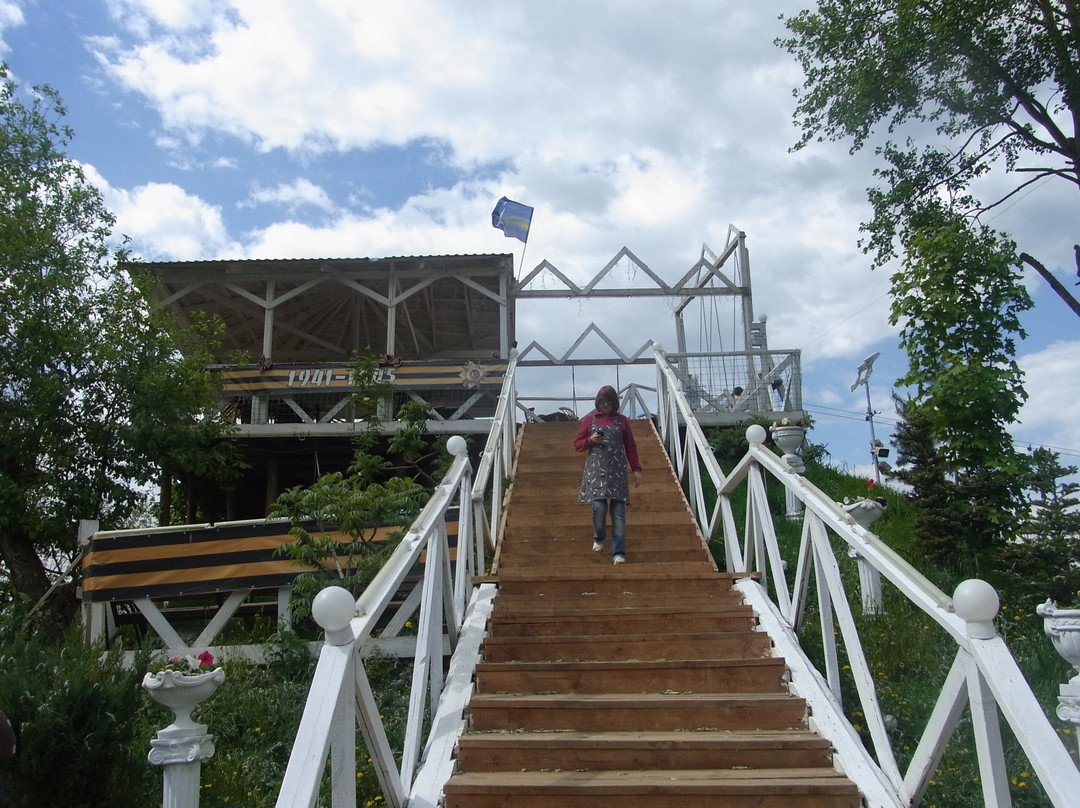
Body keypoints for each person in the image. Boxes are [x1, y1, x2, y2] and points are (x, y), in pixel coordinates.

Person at [573, 385, 643, 564]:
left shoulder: (622, 421)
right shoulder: (590, 419)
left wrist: (636, 469)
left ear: (614, 403)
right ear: (598, 402)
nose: (605, 405)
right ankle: (599, 536)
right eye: (602, 402)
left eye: (609, 402)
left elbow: (630, 446)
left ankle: (619, 552)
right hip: (596, 473)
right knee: (599, 508)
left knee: (618, 513)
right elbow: (577, 444)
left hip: (617, 473)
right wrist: (590, 440)